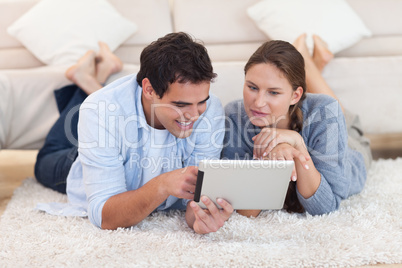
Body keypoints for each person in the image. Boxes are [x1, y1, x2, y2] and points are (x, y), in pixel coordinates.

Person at [35, 33, 234, 234]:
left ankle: (93, 76)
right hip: (74, 160)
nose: (194, 115)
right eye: (180, 104)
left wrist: (200, 219)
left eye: (201, 102)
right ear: (149, 89)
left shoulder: (210, 109)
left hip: (111, 127)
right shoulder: (100, 109)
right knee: (45, 160)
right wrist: (162, 184)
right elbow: (104, 216)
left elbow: (198, 198)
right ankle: (84, 79)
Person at [221, 34, 372, 217]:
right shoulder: (234, 115)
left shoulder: (325, 111)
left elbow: (326, 207)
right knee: (326, 107)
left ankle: (309, 63)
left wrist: (297, 144)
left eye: (273, 92)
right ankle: (313, 65)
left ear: (295, 96)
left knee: (332, 107)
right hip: (309, 113)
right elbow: (243, 207)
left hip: (349, 144)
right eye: (252, 87)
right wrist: (275, 151)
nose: (258, 103)